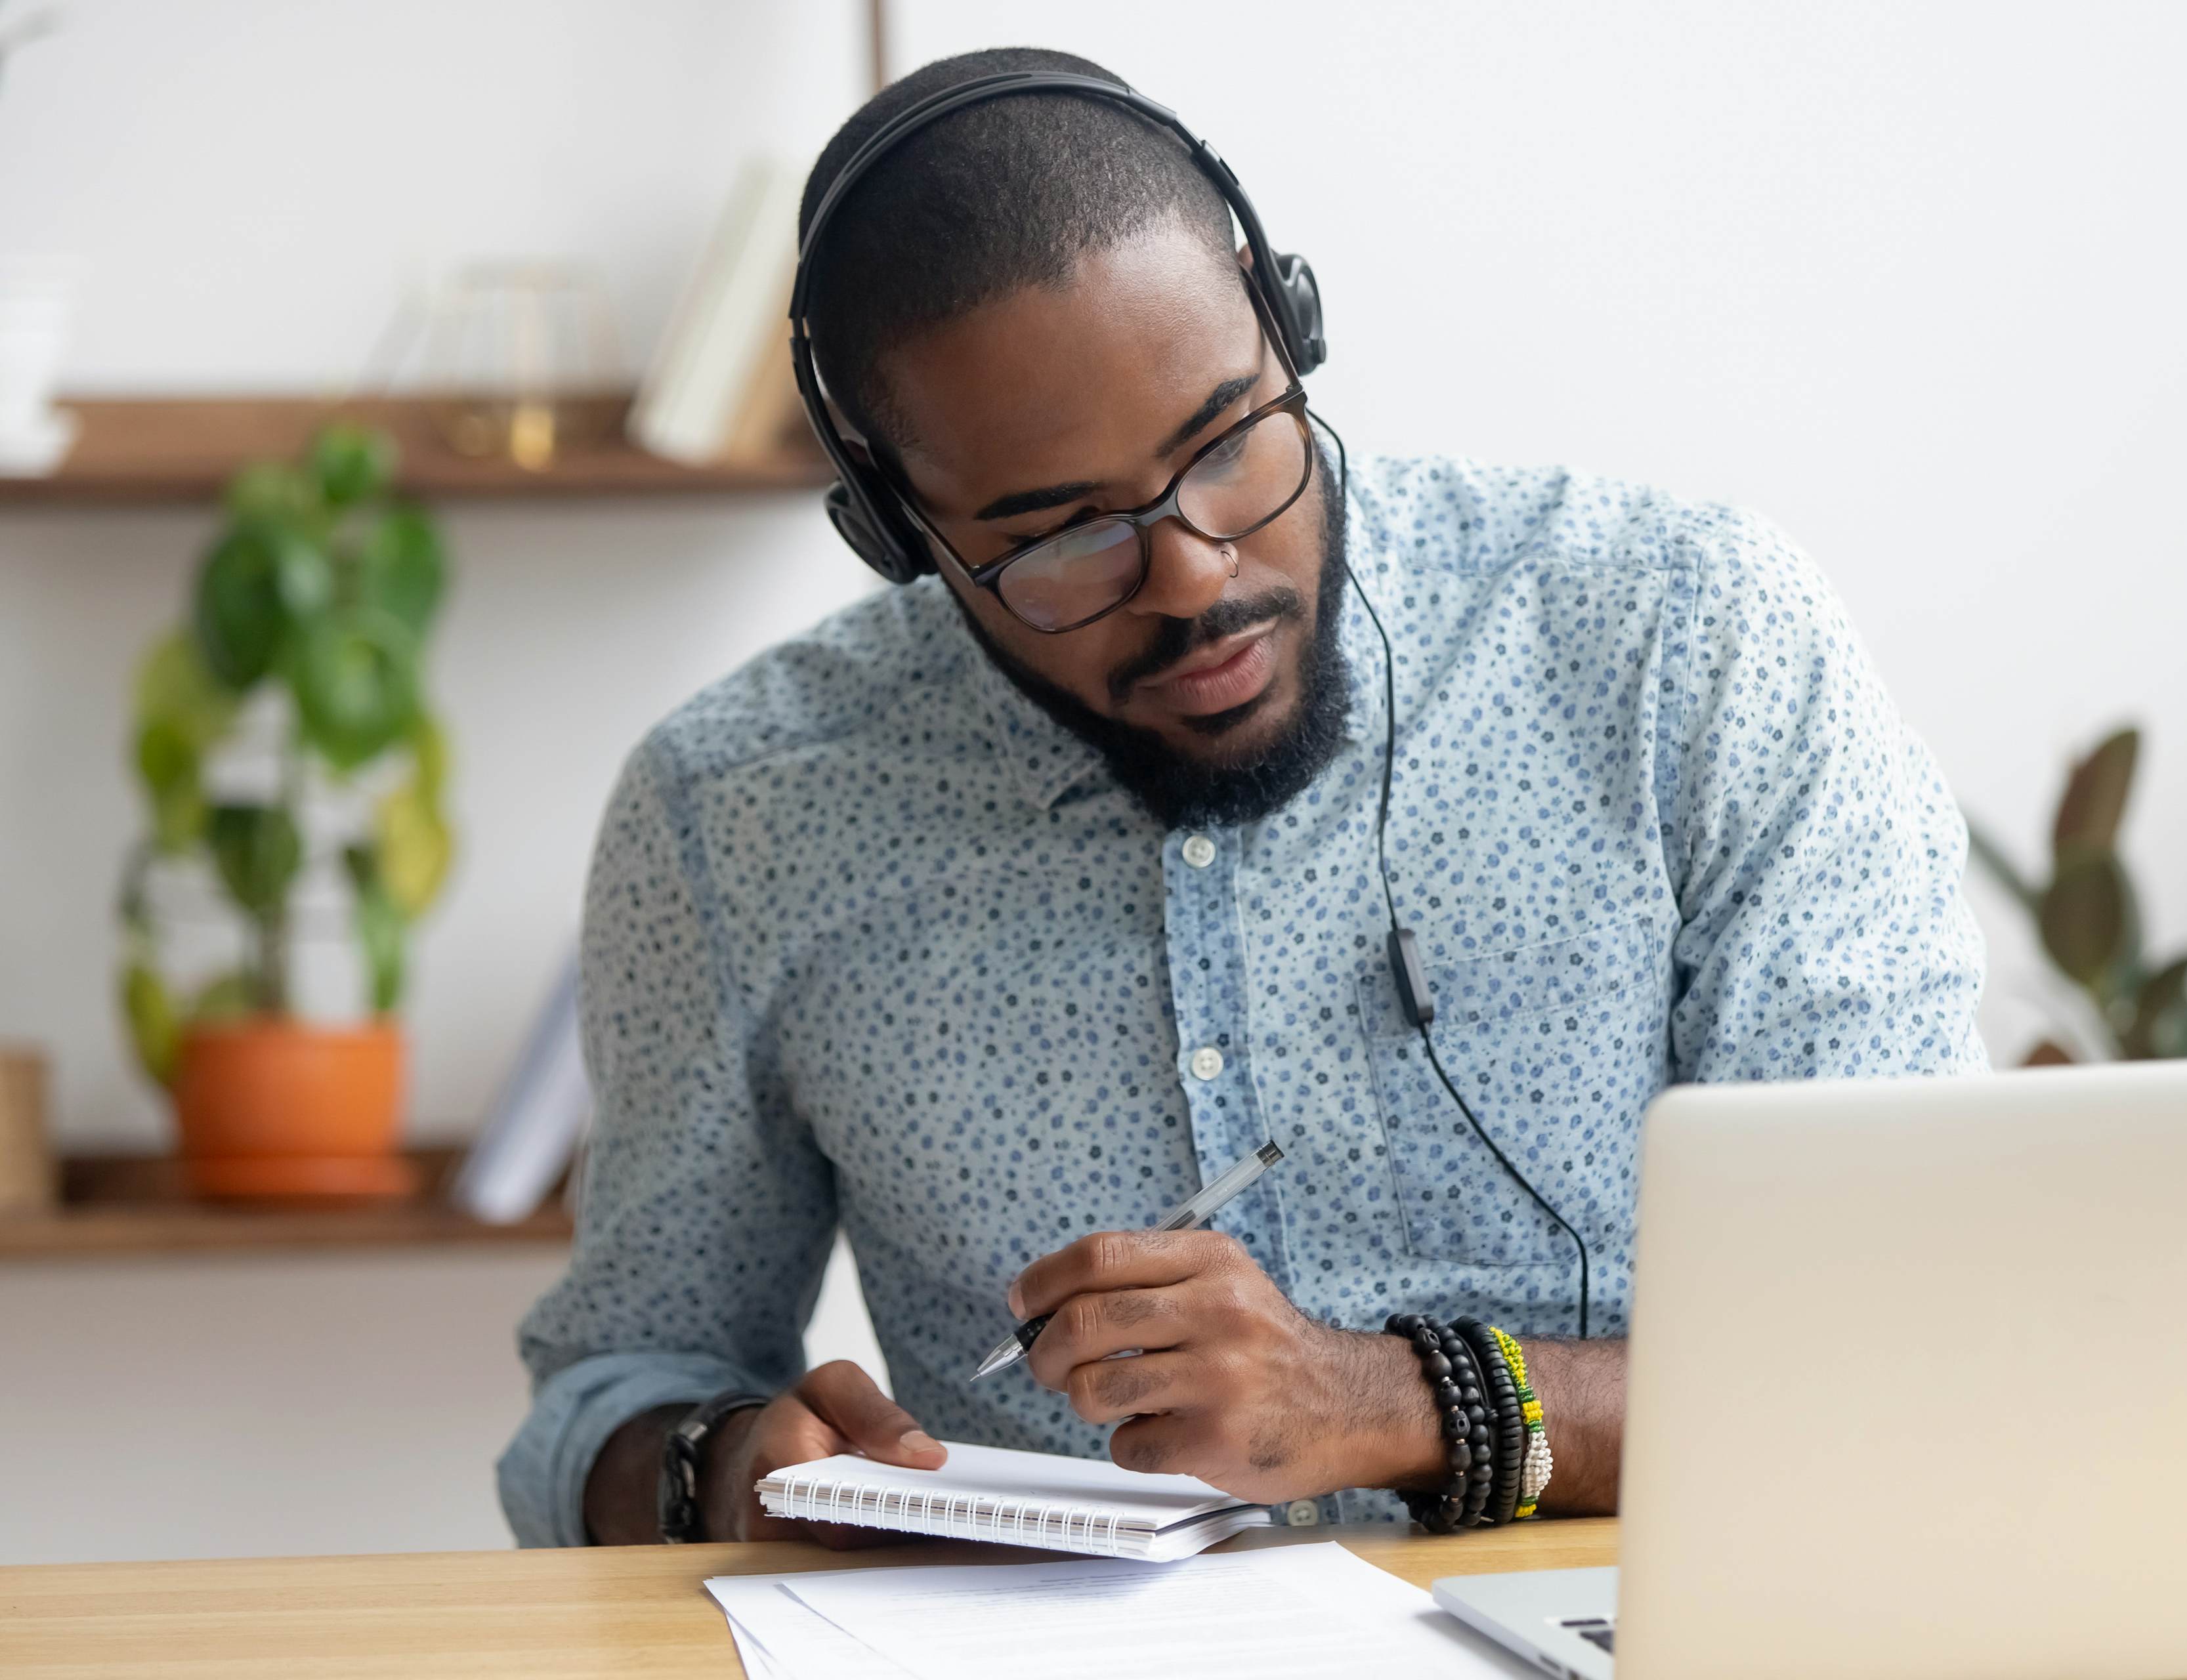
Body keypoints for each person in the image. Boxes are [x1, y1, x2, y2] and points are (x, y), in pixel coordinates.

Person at [498, 46, 1987, 1549]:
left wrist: (1387, 1399)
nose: (1195, 572)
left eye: (1227, 443)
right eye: (1061, 536)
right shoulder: (735, 813)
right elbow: (610, 1396)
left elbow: (1921, 1336)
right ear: (897, 532)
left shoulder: (1690, 643)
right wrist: (724, 1463)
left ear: (1293, 327)